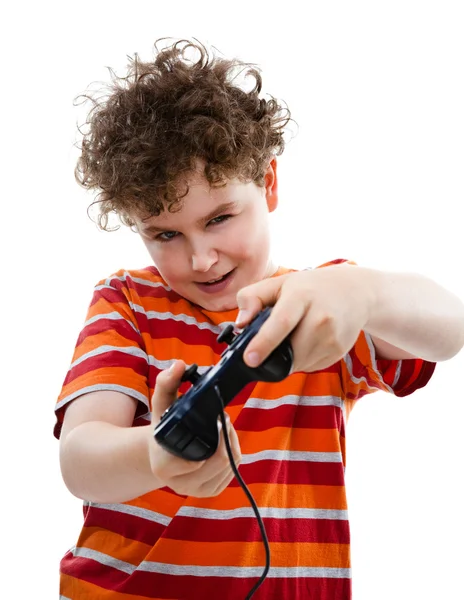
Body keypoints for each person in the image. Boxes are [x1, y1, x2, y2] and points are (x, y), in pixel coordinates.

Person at [54, 38, 464, 600]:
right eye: (165, 234)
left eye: (220, 217)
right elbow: (80, 459)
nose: (200, 258)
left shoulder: (324, 304)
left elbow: (451, 328)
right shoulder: (126, 302)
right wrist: (156, 454)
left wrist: (364, 291)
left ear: (268, 183)